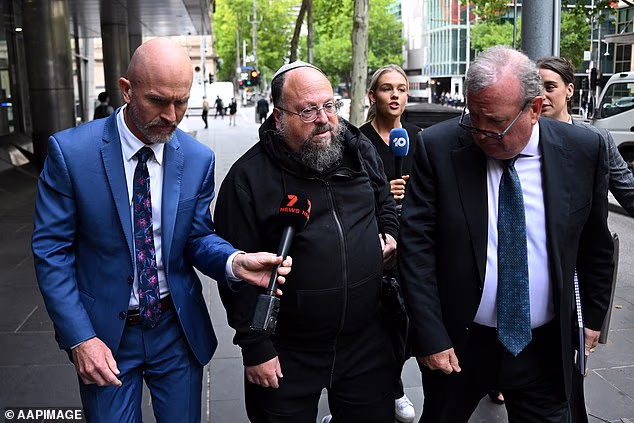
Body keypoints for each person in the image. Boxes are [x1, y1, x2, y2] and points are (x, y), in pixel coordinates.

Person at [31, 38, 293, 423]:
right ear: (126, 90)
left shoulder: (197, 158)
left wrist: (234, 262)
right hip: (104, 334)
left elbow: (196, 237)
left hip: (176, 330)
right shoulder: (71, 154)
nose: (171, 115)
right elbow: (52, 252)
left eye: (181, 102)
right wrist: (80, 337)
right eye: (157, 101)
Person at [398, 45, 614, 423]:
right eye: (474, 117)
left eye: (495, 122)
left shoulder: (583, 150)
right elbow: (416, 249)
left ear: (534, 109)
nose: (481, 132)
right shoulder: (439, 147)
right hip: (459, 346)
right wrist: (430, 335)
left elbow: (595, 245)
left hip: (544, 346)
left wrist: (591, 318)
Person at [214, 60, 399, 423]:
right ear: (279, 117)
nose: (324, 119)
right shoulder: (247, 178)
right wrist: (255, 347)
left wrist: (390, 233)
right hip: (287, 352)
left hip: (365, 343)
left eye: (329, 106)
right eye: (308, 110)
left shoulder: (359, 151)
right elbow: (235, 275)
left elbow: (385, 202)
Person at [359, 64, 421, 423]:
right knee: (377, 322)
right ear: (373, 95)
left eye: (401, 88)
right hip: (373, 242)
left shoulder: (418, 137)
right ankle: (388, 389)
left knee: (406, 322)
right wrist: (382, 191)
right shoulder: (358, 141)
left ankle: (392, 382)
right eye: (387, 88)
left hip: (411, 242)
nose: (395, 95)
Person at [537, 55, 634, 218]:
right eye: (535, 89)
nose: (541, 95)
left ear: (569, 90)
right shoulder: (523, 139)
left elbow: (629, 193)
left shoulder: (597, 139)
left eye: (550, 87)